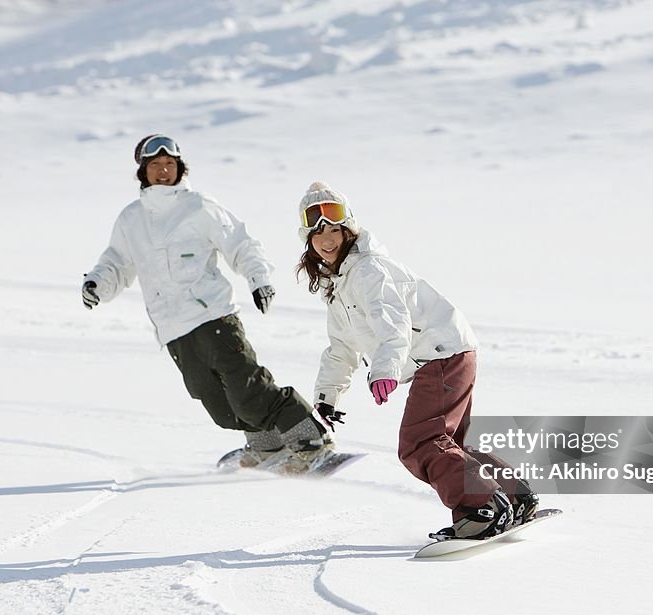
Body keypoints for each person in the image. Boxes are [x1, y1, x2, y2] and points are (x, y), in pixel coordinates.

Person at [294, 181, 539, 539]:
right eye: (318, 234)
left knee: (419, 445)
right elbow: (341, 348)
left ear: (350, 230)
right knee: (444, 444)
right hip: (449, 352)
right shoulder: (339, 286)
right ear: (308, 240)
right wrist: (327, 397)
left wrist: (384, 370)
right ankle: (514, 498)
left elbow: (393, 323)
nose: (327, 239)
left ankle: (481, 508)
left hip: (439, 354)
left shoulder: (367, 271)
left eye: (335, 229)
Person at [82, 135, 333, 473]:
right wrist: (98, 282)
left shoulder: (198, 206)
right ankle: (265, 442)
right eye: (155, 165)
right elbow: (117, 262)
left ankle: (310, 438)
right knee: (219, 405)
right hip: (173, 328)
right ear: (143, 171)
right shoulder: (131, 219)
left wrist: (258, 279)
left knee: (249, 390)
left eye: (169, 164)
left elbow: (239, 243)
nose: (163, 171)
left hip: (213, 315)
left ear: (179, 167)